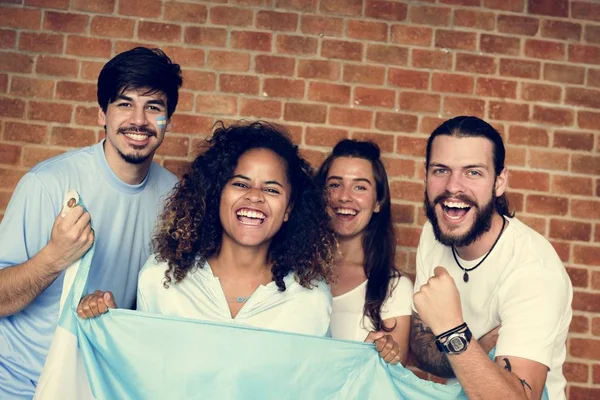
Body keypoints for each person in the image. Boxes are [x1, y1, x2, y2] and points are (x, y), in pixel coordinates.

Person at [0, 47, 182, 398]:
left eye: (154, 107)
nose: (139, 120)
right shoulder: (48, 183)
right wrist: (53, 258)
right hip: (19, 385)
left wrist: (116, 315)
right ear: (103, 113)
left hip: (94, 387)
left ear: (168, 121)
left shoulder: (174, 199)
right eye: (125, 104)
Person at [77, 121, 336, 337]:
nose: (255, 197)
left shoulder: (310, 298)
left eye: (271, 189)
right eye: (240, 184)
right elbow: (137, 372)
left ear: (289, 209)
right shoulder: (161, 279)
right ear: (217, 196)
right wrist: (105, 324)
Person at [410, 116, 572, 400]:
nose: (452, 186)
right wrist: (480, 344)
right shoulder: (433, 233)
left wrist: (450, 329)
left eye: (473, 172)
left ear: (499, 182)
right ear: (425, 175)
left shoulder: (534, 271)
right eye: (440, 170)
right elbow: (422, 351)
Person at [315, 140, 413, 365]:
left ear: (378, 201)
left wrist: (385, 353)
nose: (344, 197)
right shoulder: (294, 271)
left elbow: (394, 374)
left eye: (360, 187)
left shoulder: (393, 287)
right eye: (334, 185)